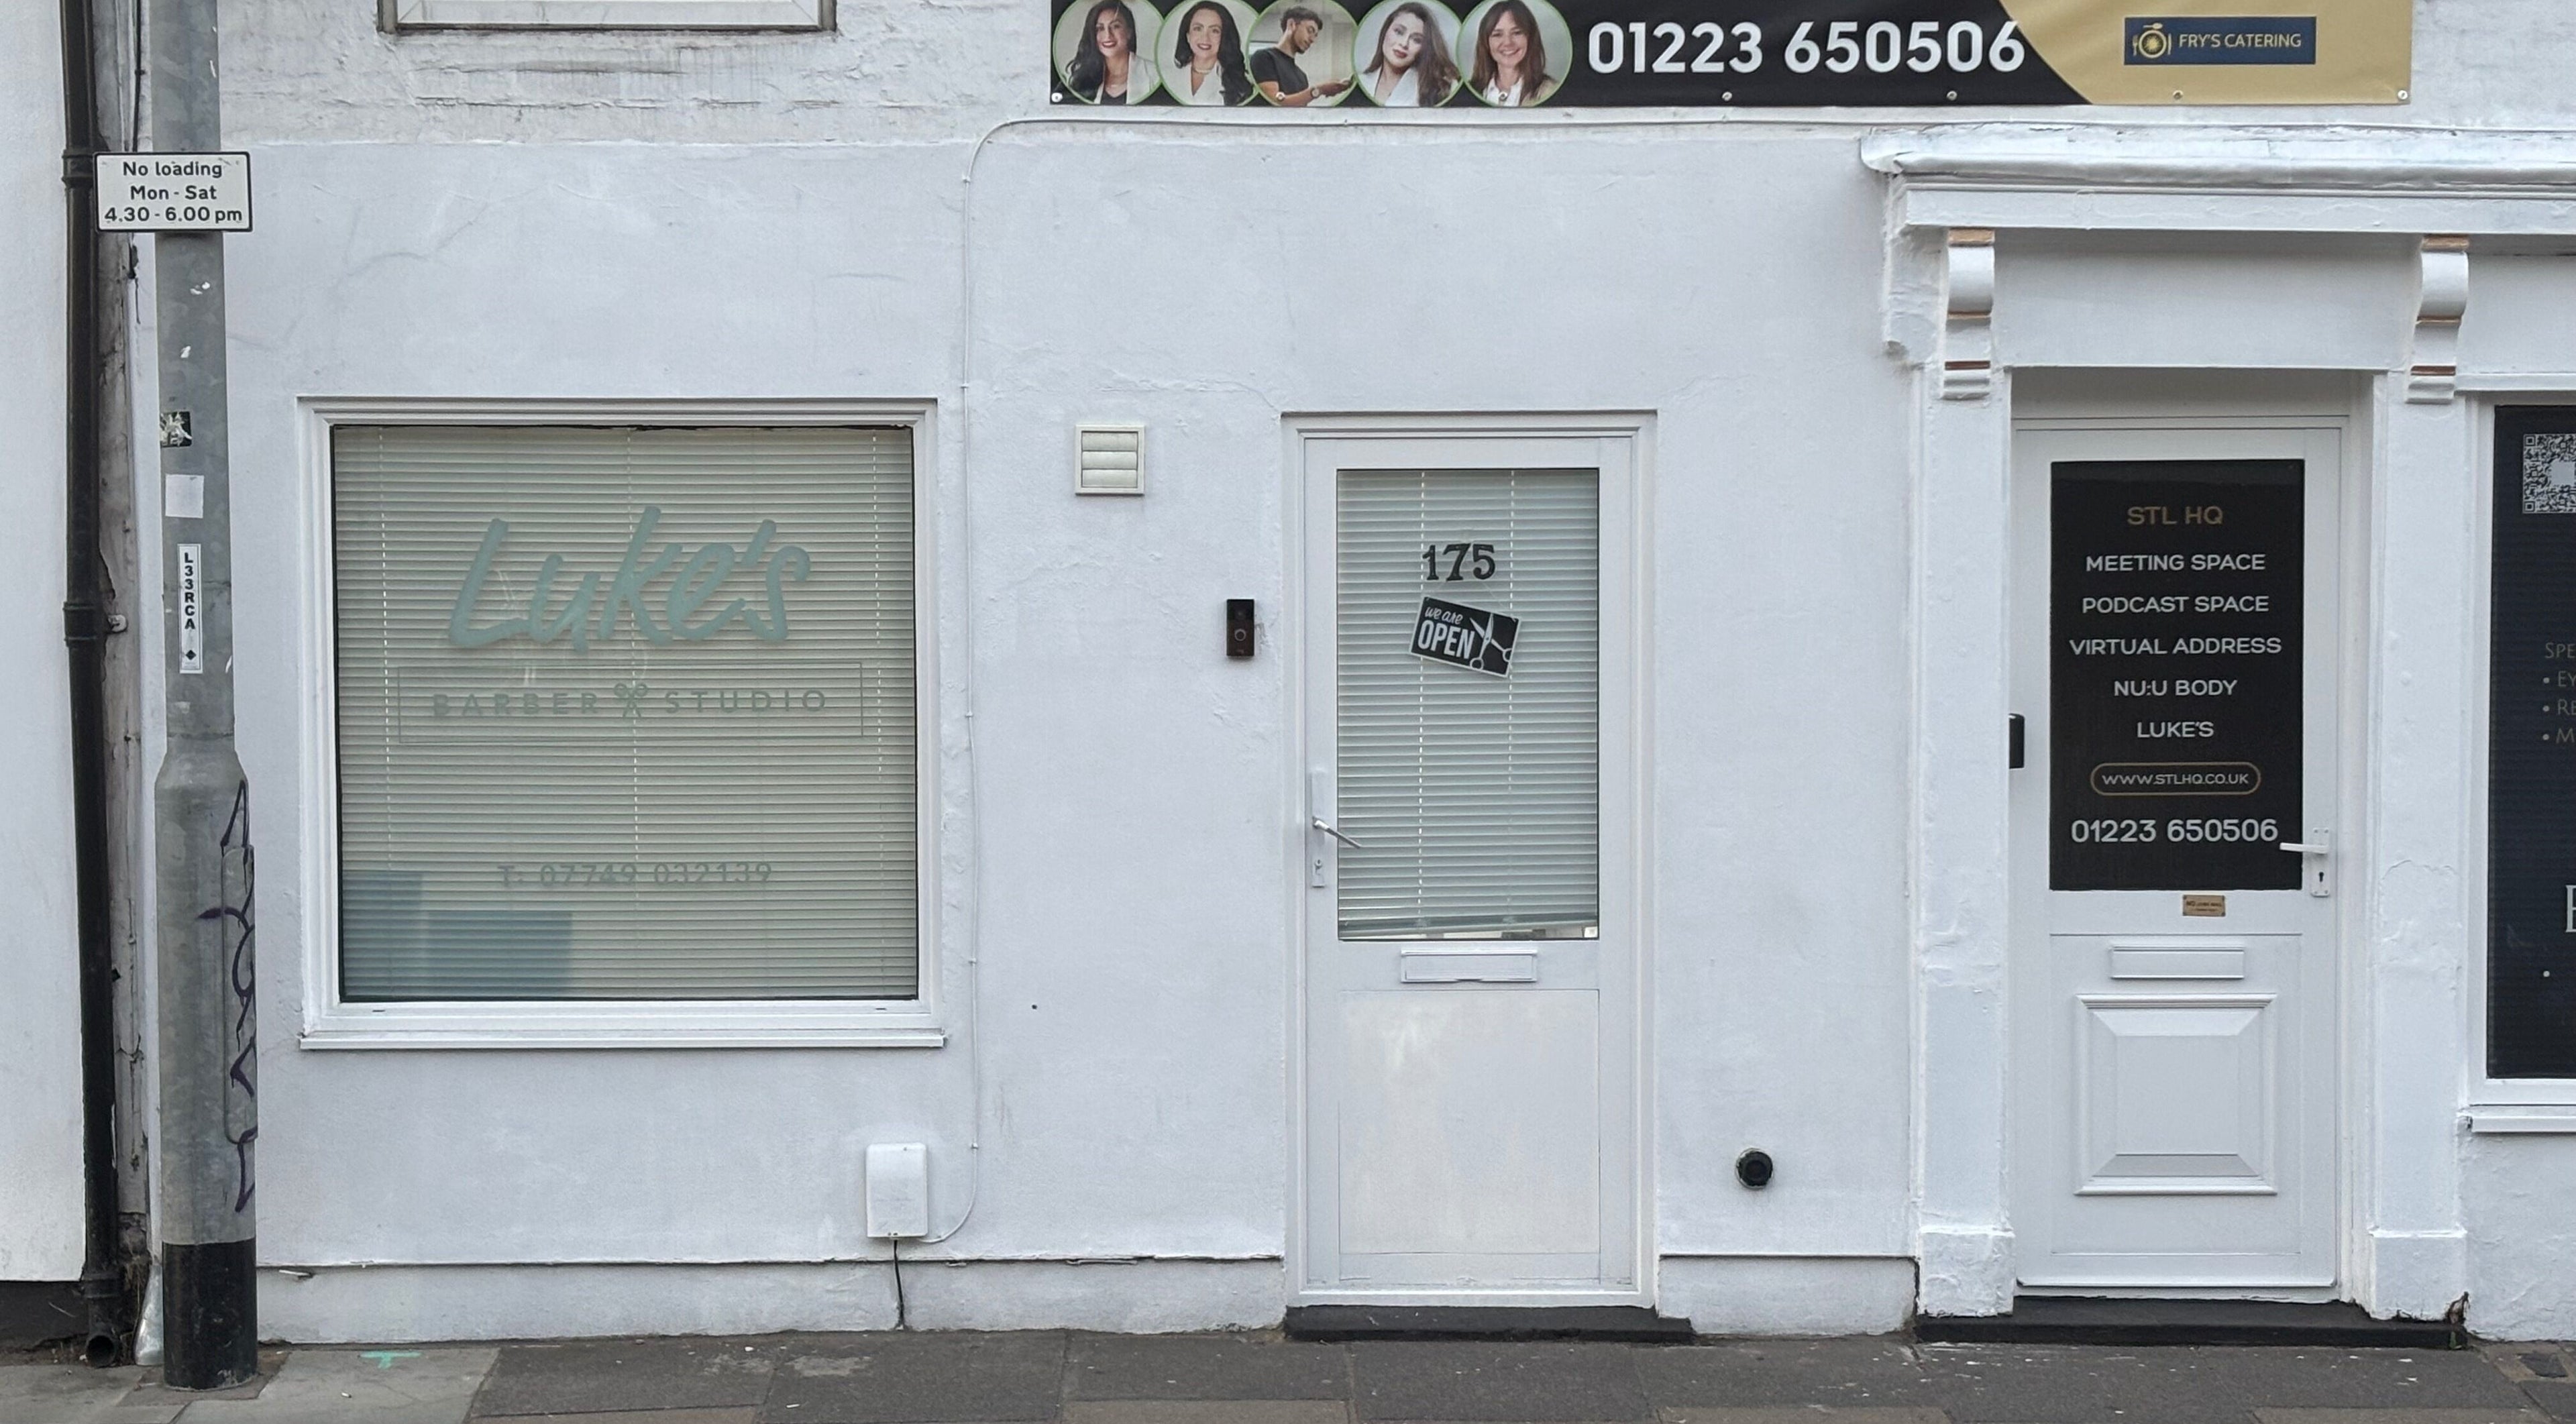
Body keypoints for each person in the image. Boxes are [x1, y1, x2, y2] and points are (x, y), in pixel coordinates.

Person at [1361, 1, 1457, 106]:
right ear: (1386, 31)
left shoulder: (1439, 90)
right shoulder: (1362, 81)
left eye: (1416, 40)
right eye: (1399, 32)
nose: (1404, 44)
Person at [1253, 6, 1351, 106]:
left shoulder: (1302, 77)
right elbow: (1275, 101)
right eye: (1310, 31)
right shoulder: (1264, 58)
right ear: (1292, 25)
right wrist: (1319, 90)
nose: (1312, 40)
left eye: (1315, 35)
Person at [1065, 0, 1154, 104]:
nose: (1108, 35)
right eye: (1100, 28)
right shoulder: (1083, 80)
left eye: (1115, 26)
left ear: (1129, 32)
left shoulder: (1154, 74)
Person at [1468, 0, 1553, 105]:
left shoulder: (1549, 91)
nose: (1508, 43)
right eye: (1497, 35)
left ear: (1530, 39)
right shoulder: (1470, 91)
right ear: (1486, 42)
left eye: (1517, 33)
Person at [1170, 1, 1254, 105]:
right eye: (1198, 29)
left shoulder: (1242, 83)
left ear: (1224, 37)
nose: (1205, 38)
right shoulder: (1170, 77)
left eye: (1215, 31)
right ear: (1188, 36)